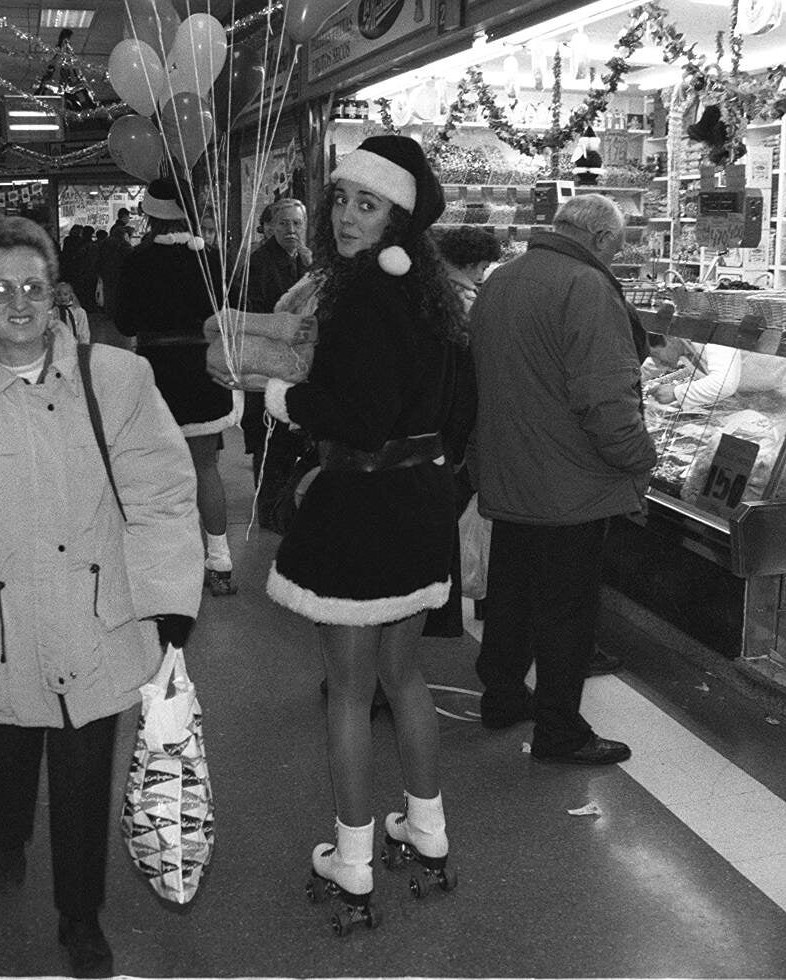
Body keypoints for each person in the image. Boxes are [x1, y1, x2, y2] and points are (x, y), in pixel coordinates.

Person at [0, 216, 202, 978]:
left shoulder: (118, 378)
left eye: (32, 286)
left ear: (54, 294)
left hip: (95, 618)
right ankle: (4, 828)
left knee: (85, 777)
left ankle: (79, 918)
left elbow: (160, 494)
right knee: (3, 764)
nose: (17, 303)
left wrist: (167, 601)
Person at [262, 136, 464, 924]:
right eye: (341, 199)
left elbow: (362, 421)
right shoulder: (423, 289)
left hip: (362, 510)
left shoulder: (361, 298)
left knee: (348, 692)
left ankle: (351, 865)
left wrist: (284, 397)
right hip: (419, 505)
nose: (345, 216)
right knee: (403, 677)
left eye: (366, 204)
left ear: (397, 215)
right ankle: (428, 832)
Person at [468, 194, 656, 765]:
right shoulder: (588, 288)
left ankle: (501, 696)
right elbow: (605, 398)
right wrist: (639, 458)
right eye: (616, 251)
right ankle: (559, 731)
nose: (615, 262)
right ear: (599, 241)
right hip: (570, 486)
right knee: (565, 613)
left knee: (512, 597)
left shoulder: (501, 280)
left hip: (509, 471)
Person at [115, 178, 240, 597]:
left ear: (149, 213)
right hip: (205, 371)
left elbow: (125, 322)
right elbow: (231, 312)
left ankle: (167, 565)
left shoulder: (135, 263)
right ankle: (220, 561)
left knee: (157, 475)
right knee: (206, 468)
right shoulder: (213, 261)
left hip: (156, 375)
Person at [421, 226, 499, 639]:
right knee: (449, 526)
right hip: (456, 434)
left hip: (435, 431)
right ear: (471, 262)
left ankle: (441, 613)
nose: (486, 273)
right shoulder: (466, 300)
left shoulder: (429, 293)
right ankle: (444, 616)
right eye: (484, 265)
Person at [241, 199, 314, 526]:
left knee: (289, 438)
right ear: (269, 227)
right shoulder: (259, 263)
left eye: (297, 224)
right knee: (268, 439)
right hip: (269, 363)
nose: (292, 230)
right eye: (284, 224)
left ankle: (283, 508)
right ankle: (270, 512)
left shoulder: (305, 261)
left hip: (298, 363)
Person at [645, 333, 741, 410]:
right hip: (742, 400)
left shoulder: (715, 336)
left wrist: (675, 392)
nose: (656, 362)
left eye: (655, 354)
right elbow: (651, 367)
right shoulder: (680, 347)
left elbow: (724, 384)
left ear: (669, 338)